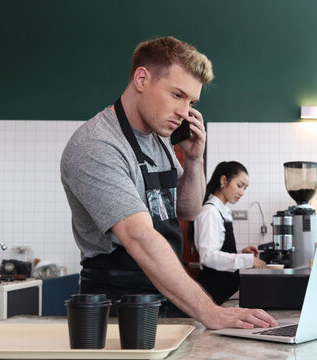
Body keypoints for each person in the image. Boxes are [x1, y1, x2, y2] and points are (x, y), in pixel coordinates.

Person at [60, 36, 276, 330]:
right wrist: (210, 311)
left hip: (167, 295)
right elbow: (138, 237)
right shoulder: (97, 144)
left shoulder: (160, 141)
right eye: (177, 95)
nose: (185, 112)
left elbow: (186, 211)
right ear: (141, 79)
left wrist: (195, 159)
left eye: (191, 102)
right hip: (118, 307)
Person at [194, 161, 266, 304]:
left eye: (245, 188)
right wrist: (248, 260)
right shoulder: (210, 212)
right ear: (223, 180)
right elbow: (208, 256)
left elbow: (218, 248)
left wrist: (240, 252)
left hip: (224, 291)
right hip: (213, 290)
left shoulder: (222, 211)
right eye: (239, 185)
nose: (242, 192)